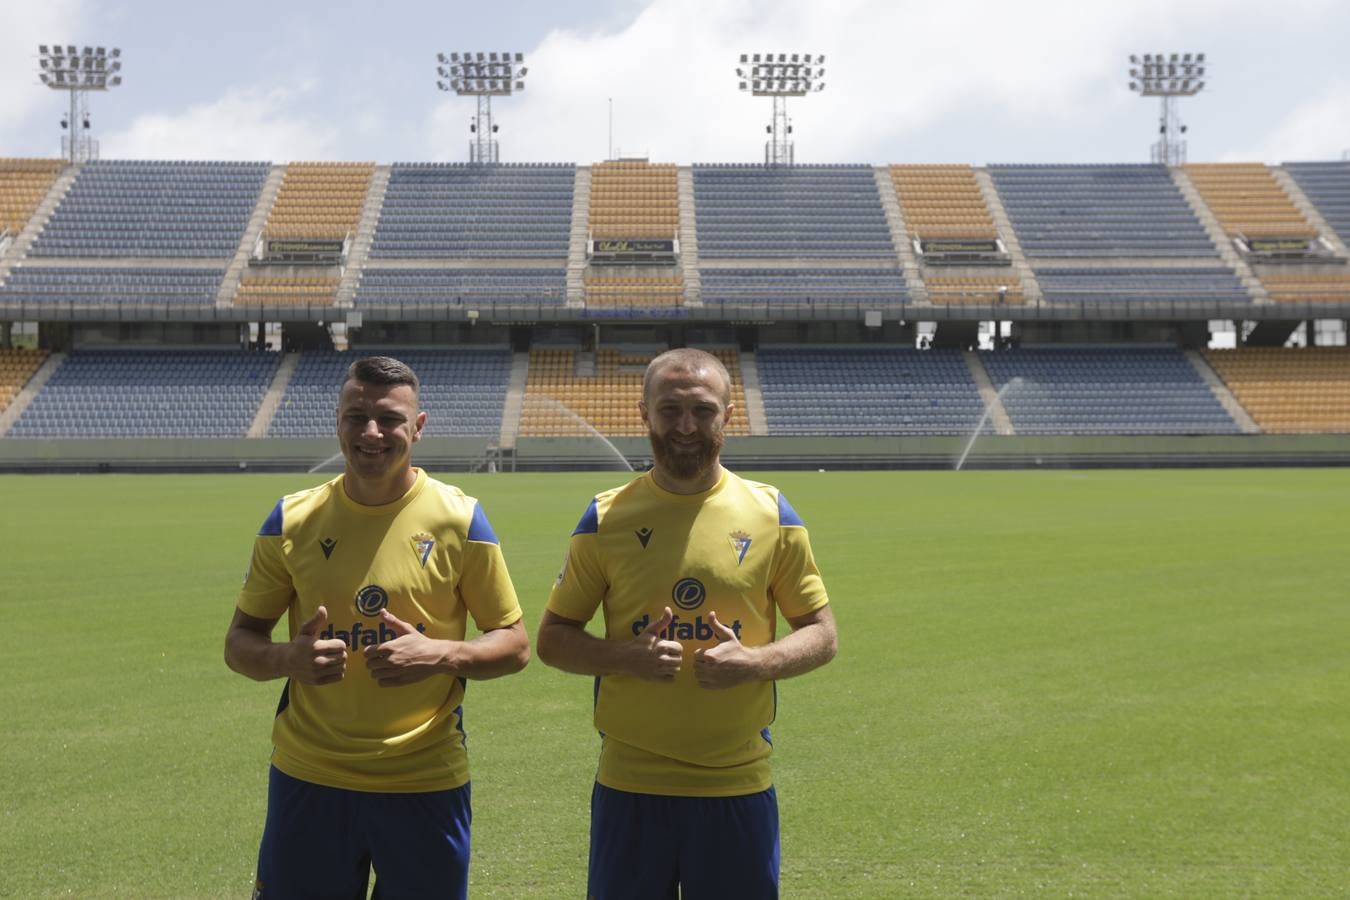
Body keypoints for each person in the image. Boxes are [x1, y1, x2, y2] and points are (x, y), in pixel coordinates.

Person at [537, 347, 838, 900]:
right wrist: (625, 657)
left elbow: (823, 635)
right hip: (630, 785)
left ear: (729, 414)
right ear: (643, 413)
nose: (684, 426)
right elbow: (552, 640)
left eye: (701, 410)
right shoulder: (604, 517)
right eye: (669, 409)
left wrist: (755, 663)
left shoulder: (771, 514)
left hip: (736, 783)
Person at [224, 355, 529, 900]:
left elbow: (514, 644)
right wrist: (284, 660)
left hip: (424, 781)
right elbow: (239, 643)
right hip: (310, 777)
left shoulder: (461, 519)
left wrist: (439, 654)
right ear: (337, 421)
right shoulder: (291, 520)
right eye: (355, 415)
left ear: (418, 425)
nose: (371, 432)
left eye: (388, 418)